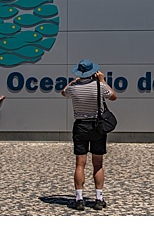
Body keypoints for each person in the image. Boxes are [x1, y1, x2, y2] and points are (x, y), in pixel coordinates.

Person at [62, 59, 116, 209]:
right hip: (97, 126)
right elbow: (113, 96)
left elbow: (62, 92)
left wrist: (74, 81)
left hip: (80, 125)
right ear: (93, 72)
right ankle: (99, 198)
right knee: (97, 164)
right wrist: (103, 80)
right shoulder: (99, 86)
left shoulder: (73, 88)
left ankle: (79, 198)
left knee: (80, 163)